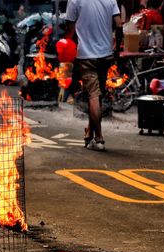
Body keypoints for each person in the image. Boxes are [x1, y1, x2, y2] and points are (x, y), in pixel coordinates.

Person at [65, 0, 122, 151]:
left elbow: (70, 28)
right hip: (106, 55)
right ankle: (89, 134)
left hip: (86, 56)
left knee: (93, 96)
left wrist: (75, 43)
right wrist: (117, 48)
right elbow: (119, 24)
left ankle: (99, 138)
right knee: (97, 95)